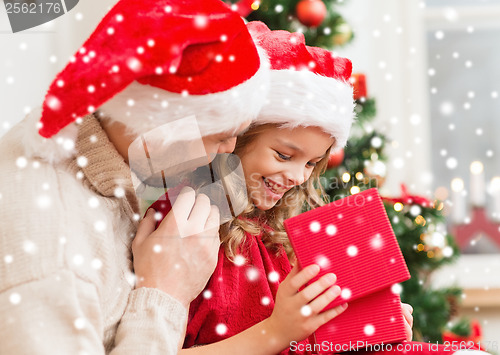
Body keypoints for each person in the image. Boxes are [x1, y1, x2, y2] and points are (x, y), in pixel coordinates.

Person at [176, 23, 488, 355]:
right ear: (233, 138)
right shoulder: (184, 227)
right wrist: (277, 331)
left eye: (311, 164)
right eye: (284, 155)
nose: (298, 176)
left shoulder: (280, 237)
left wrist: (372, 332)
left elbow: (307, 341)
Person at [0, 1, 269, 354]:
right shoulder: (55, 258)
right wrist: (165, 292)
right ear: (155, 121)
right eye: (219, 135)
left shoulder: (101, 149)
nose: (229, 150)